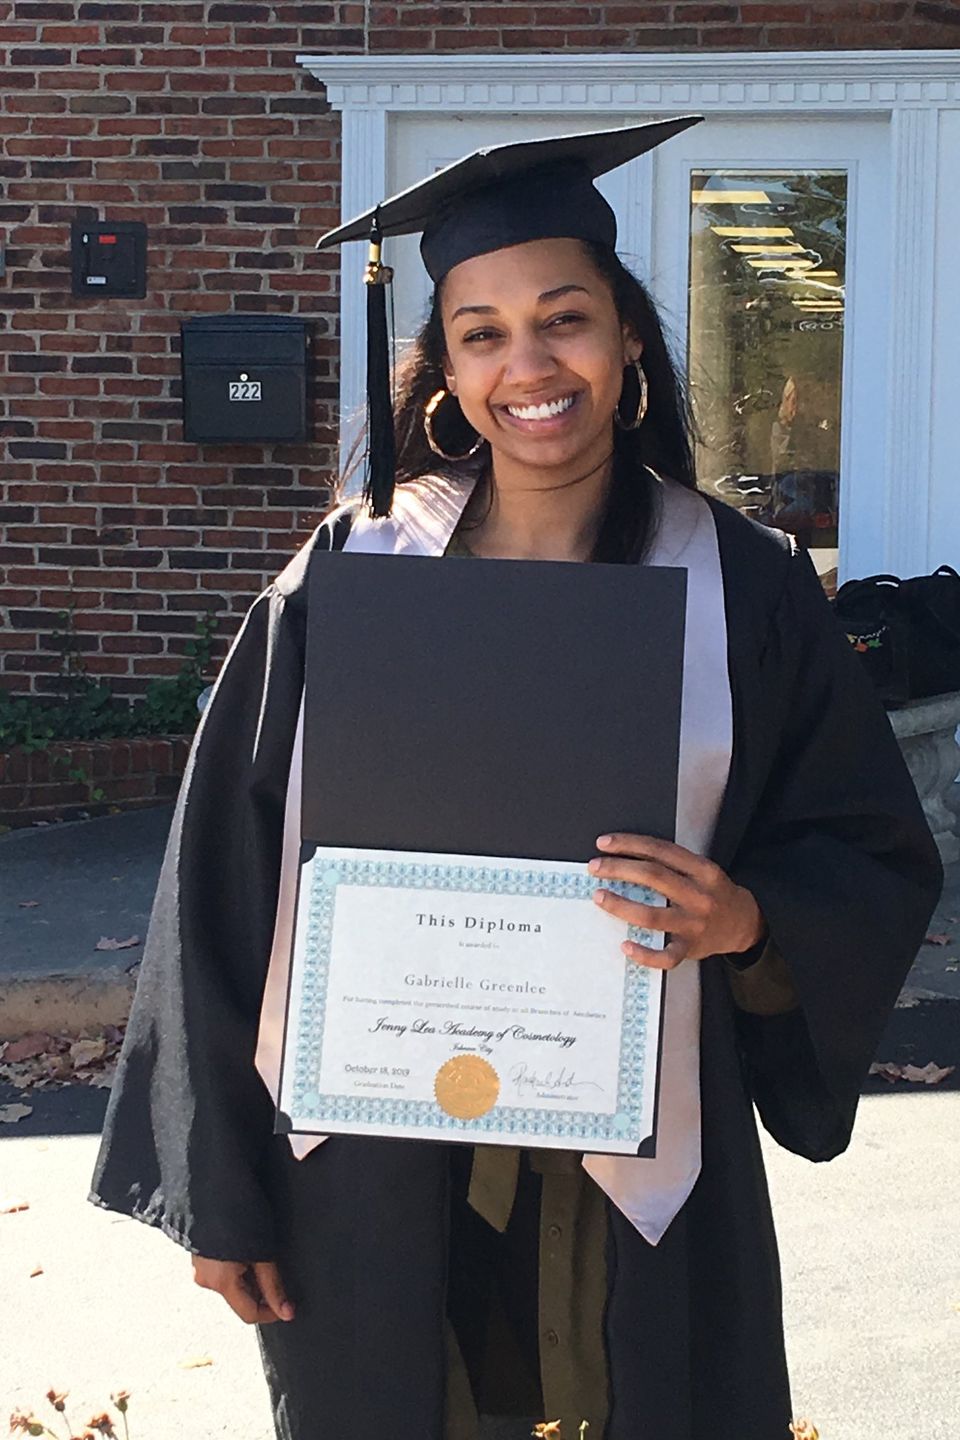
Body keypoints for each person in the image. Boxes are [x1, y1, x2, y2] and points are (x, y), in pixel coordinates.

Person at [90, 120, 942, 1440]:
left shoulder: (742, 585)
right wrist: (225, 1189)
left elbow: (867, 848)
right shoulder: (350, 575)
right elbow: (225, 884)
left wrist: (749, 921)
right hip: (373, 1164)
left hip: (642, 1164)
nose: (528, 365)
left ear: (632, 340)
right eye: (482, 331)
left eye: (565, 319)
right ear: (444, 364)